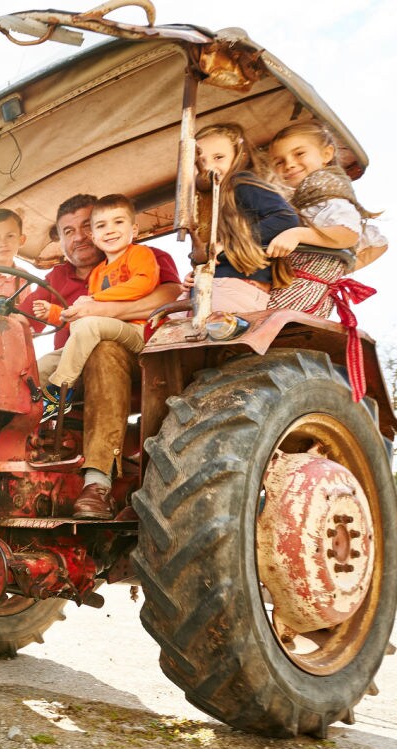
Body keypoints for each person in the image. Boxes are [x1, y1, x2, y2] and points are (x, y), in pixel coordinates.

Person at [20, 194, 182, 519]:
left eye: (84, 225)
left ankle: (98, 485)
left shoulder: (145, 256)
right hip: (71, 360)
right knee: (25, 370)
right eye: (68, 231)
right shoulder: (57, 277)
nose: (78, 236)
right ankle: (17, 446)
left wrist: (100, 309)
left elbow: (169, 295)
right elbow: (23, 318)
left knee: (103, 351)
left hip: (133, 360)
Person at [31, 194, 159, 416]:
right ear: (96, 235)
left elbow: (143, 283)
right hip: (97, 337)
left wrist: (98, 300)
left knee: (91, 327)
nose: (109, 230)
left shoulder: (141, 254)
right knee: (42, 364)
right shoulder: (98, 273)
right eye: (101, 226)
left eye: (118, 222)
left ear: (134, 229)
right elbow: (82, 313)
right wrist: (53, 313)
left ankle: (60, 392)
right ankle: (25, 418)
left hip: (137, 333)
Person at [192, 122, 300, 312]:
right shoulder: (209, 202)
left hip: (237, 283)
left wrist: (229, 243)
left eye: (218, 157)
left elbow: (285, 218)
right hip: (216, 282)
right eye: (201, 161)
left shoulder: (241, 183)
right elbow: (209, 251)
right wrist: (196, 271)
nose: (209, 167)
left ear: (238, 158)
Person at [265, 121, 387, 270]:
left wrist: (297, 235)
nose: (289, 164)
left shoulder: (327, 198)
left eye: (299, 154)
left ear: (326, 154)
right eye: (279, 162)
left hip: (304, 280)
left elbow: (348, 234)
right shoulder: (294, 202)